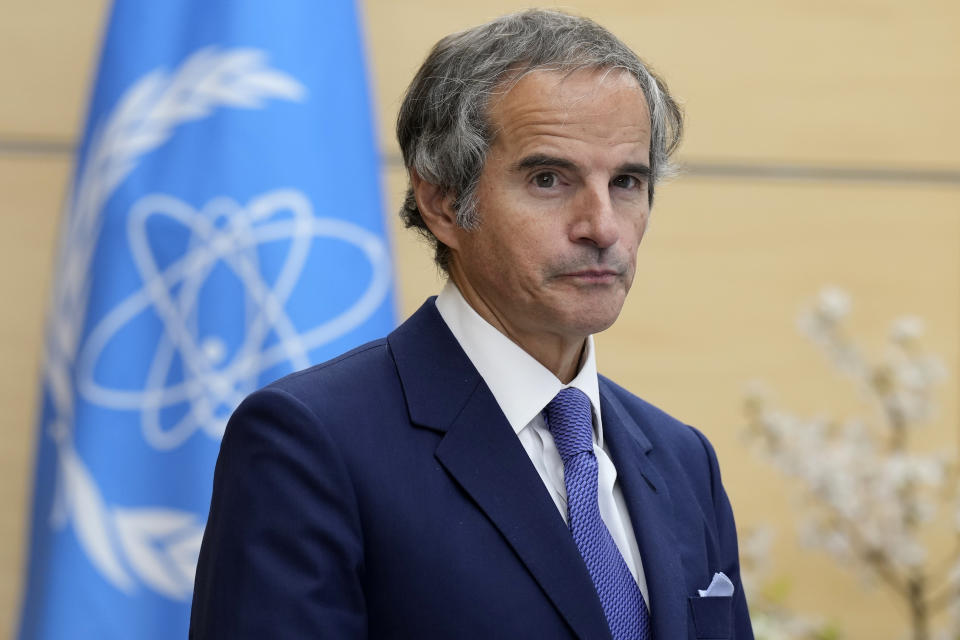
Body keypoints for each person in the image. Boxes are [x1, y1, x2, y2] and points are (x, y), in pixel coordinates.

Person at [190, 9, 753, 640]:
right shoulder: (311, 443)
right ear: (442, 203)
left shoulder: (683, 458)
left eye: (626, 181)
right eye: (548, 179)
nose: (602, 226)